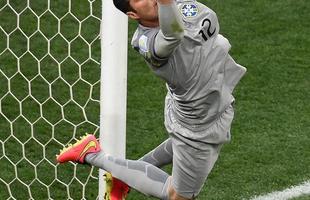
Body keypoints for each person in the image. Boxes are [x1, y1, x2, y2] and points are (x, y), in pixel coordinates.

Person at [56, 0, 246, 199]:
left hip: (212, 103)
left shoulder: (181, 5)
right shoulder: (145, 41)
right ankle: (93, 154)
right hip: (197, 121)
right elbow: (173, 34)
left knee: (183, 147)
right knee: (177, 195)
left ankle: (122, 176)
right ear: (133, 15)